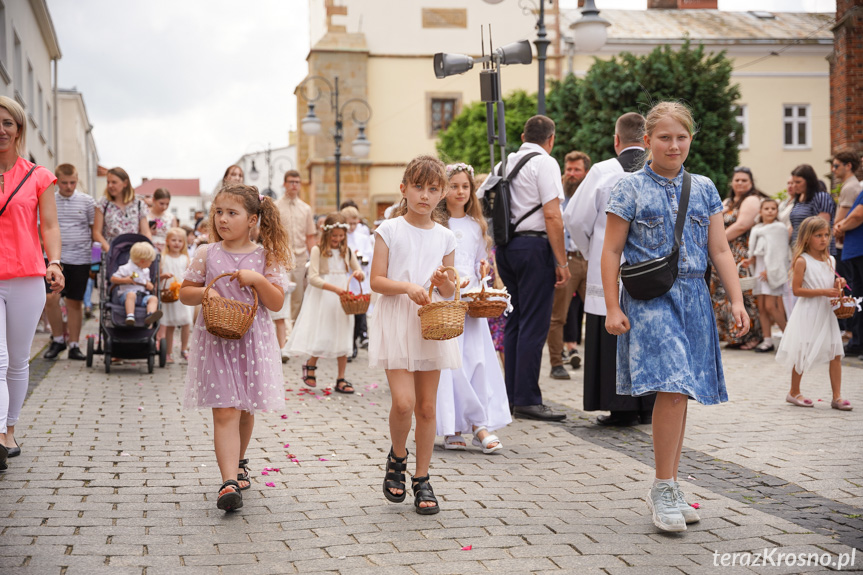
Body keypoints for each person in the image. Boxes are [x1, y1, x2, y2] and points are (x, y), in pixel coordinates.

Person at [602, 101, 749, 533]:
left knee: (680, 390)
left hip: (694, 297)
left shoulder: (703, 187)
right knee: (671, 383)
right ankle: (663, 486)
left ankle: (669, 483)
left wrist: (736, 301)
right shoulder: (627, 188)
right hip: (650, 298)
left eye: (681, 137)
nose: (674, 144)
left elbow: (720, 250)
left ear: (690, 140)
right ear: (647, 141)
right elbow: (610, 251)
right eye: (664, 137)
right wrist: (612, 306)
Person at [180, 183, 292, 512]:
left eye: (232, 213)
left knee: (245, 407)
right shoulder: (206, 252)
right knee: (225, 409)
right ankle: (228, 481)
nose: (223, 220)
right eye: (218, 212)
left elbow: (276, 302)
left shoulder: (264, 256)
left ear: (253, 219)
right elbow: (184, 291)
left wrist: (257, 280)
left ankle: (241, 459)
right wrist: (204, 294)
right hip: (216, 340)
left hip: (252, 340)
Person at [369, 155, 460, 515]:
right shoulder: (388, 230)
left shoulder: (446, 236)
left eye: (433, 189)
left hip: (430, 325)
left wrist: (444, 282)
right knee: (404, 402)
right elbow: (377, 280)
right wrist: (407, 286)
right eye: (418, 187)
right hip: (397, 320)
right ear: (404, 189)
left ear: (442, 195)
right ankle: (398, 456)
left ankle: (422, 478)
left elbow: (452, 292)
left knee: (426, 406)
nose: (425, 195)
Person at [565, 111, 656, 427]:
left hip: (609, 265)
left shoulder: (602, 171)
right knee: (646, 333)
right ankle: (649, 406)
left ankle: (620, 407)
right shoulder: (658, 168)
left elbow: (575, 218)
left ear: (616, 140)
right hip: (650, 268)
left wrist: (591, 251)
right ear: (646, 139)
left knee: (611, 330)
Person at [491, 115, 570, 422]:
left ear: (523, 135)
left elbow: (486, 198)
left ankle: (511, 395)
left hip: (506, 247)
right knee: (535, 324)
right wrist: (561, 260)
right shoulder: (546, 163)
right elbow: (552, 216)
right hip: (534, 248)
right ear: (551, 139)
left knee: (515, 321)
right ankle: (527, 399)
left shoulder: (503, 164)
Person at [0, 95, 64, 470]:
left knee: (19, 361)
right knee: (0, 357)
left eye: (8, 122)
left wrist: (53, 261)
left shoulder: (39, 176)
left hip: (27, 275)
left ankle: (9, 430)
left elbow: (50, 226)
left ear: (19, 129)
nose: (1, 129)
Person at [435, 162, 511, 454]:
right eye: (454, 186)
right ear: (444, 189)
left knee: (477, 361)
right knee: (453, 363)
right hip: (448, 300)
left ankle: (480, 423)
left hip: (472, 303)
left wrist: (482, 272)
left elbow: (482, 265)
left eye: (465, 186)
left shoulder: (476, 225)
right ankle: (453, 425)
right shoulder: (439, 226)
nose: (460, 191)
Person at [776, 217, 849, 410]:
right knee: (802, 351)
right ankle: (793, 391)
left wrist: (837, 285)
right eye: (818, 235)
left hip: (827, 313)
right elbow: (797, 290)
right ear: (807, 238)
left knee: (835, 353)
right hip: (808, 312)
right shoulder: (802, 261)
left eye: (826, 235)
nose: (824, 239)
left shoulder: (831, 260)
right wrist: (824, 291)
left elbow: (828, 284)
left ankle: (837, 396)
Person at [287, 212, 363, 393]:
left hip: (343, 296)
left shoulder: (347, 251)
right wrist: (334, 289)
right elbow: (313, 278)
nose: (337, 239)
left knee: (345, 333)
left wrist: (360, 274)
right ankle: (311, 364)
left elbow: (357, 269)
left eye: (341, 236)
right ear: (327, 234)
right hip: (325, 295)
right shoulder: (317, 250)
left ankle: (341, 378)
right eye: (334, 235)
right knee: (325, 332)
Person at [43, 163, 95, 361]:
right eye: (64, 183)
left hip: (80, 259)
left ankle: (74, 344)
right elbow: (42, 228)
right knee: (51, 299)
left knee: (75, 302)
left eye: (73, 182)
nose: (69, 186)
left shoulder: (87, 201)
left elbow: (93, 229)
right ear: (57, 182)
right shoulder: (48, 200)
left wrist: (95, 261)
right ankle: (57, 340)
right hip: (55, 260)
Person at [709, 167, 764, 350]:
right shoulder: (728, 201)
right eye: (737, 180)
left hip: (740, 254)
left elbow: (741, 225)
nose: (740, 183)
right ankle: (732, 335)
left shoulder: (752, 200)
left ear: (751, 183)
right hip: (722, 252)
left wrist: (718, 239)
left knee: (743, 294)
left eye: (744, 180)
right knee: (722, 295)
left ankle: (752, 336)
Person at [547, 151, 590, 379]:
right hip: (567, 260)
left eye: (577, 170)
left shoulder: (592, 193)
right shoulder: (556, 194)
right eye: (569, 169)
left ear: (586, 172)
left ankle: (598, 362)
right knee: (558, 316)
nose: (571, 174)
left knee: (599, 312)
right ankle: (556, 364)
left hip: (590, 259)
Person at [273, 170, 316, 360]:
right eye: (291, 182)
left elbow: (310, 236)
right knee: (281, 297)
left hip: (299, 257)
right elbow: (270, 234)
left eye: (297, 182)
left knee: (298, 299)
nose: (294, 185)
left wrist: (314, 260)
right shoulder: (276, 207)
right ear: (284, 183)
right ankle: (284, 339)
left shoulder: (305, 209)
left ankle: (292, 339)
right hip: (281, 257)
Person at [744, 199, 790, 352]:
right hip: (759, 268)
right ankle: (767, 340)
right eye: (767, 208)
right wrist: (750, 260)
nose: (770, 211)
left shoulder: (780, 228)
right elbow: (757, 250)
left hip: (771, 269)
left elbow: (780, 253)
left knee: (771, 306)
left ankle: (789, 338)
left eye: (773, 208)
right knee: (762, 307)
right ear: (761, 211)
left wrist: (770, 270)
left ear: (777, 211)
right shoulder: (757, 228)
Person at [832, 149, 862, 355]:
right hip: (852, 248)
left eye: (836, 166)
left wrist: (839, 227)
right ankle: (856, 339)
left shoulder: (852, 186)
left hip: (854, 247)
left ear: (847, 166)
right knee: (856, 293)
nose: (833, 170)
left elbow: (856, 215)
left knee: (856, 295)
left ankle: (856, 340)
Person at [93, 167, 151, 252]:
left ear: (125, 183)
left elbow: (145, 233)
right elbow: (96, 233)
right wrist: (110, 251)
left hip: (134, 256)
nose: (110, 185)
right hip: (110, 256)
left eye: (114, 182)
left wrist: (146, 249)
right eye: (108, 182)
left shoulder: (139, 205)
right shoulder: (103, 204)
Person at [342, 205, 373, 358]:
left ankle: (355, 341)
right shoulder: (341, 237)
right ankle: (348, 344)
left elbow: (370, 255)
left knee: (359, 314)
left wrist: (361, 256)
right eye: (349, 224)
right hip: (346, 279)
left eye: (355, 223)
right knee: (347, 315)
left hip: (360, 279)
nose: (352, 227)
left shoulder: (363, 238)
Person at [159, 227, 193, 363]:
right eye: (174, 240)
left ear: (184, 243)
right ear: (167, 241)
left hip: (182, 295)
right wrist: (163, 276)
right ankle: (168, 352)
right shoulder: (163, 258)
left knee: (186, 322)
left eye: (180, 241)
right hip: (168, 296)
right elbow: (158, 277)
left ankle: (184, 349)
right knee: (170, 323)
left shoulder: (186, 259)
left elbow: (190, 276)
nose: (177, 243)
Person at [110, 242, 162, 327]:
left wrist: (149, 285)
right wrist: (124, 280)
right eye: (150, 262)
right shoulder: (126, 268)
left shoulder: (146, 270)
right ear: (142, 261)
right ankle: (130, 316)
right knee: (131, 294)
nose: (151, 264)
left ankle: (150, 315)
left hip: (142, 296)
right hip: (126, 296)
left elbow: (147, 281)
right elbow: (113, 279)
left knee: (153, 299)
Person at [788, 164, 836, 252]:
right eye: (793, 182)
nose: (794, 186)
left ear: (809, 181)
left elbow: (822, 225)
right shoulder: (798, 199)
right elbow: (794, 225)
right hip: (799, 248)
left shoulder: (821, 197)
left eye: (798, 182)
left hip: (816, 250)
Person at [148, 188, 178, 252]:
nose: (164, 207)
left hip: (166, 251)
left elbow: (175, 237)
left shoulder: (171, 217)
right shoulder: (144, 215)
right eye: (161, 203)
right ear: (153, 200)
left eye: (167, 204)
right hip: (148, 250)